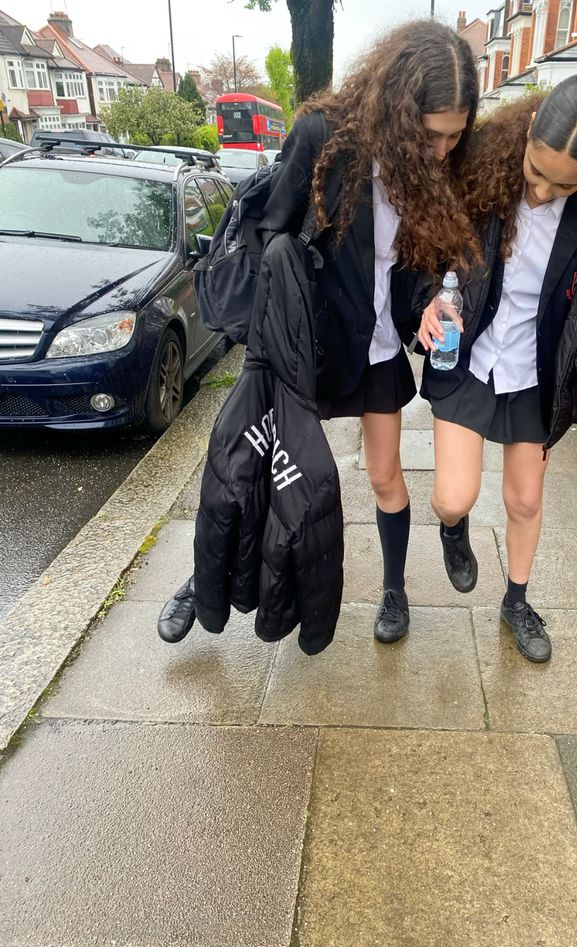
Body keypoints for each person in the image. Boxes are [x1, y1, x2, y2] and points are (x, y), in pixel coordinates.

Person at [157, 19, 480, 647]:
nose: (443, 150)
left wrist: (428, 305)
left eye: (455, 135)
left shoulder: (432, 173)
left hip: (376, 349)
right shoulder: (323, 137)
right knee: (253, 467)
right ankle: (204, 580)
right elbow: (270, 233)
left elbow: (415, 267)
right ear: (399, 108)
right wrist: (280, 324)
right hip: (307, 344)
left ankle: (393, 590)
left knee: (385, 475)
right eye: (433, 134)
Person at [417, 74, 577, 663]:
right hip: (469, 357)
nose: (544, 191)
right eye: (536, 171)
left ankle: (517, 601)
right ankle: (454, 530)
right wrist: (428, 300)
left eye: (565, 183)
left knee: (525, 500)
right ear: (528, 132)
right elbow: (424, 249)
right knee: (452, 497)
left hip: (539, 373)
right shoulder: (477, 170)